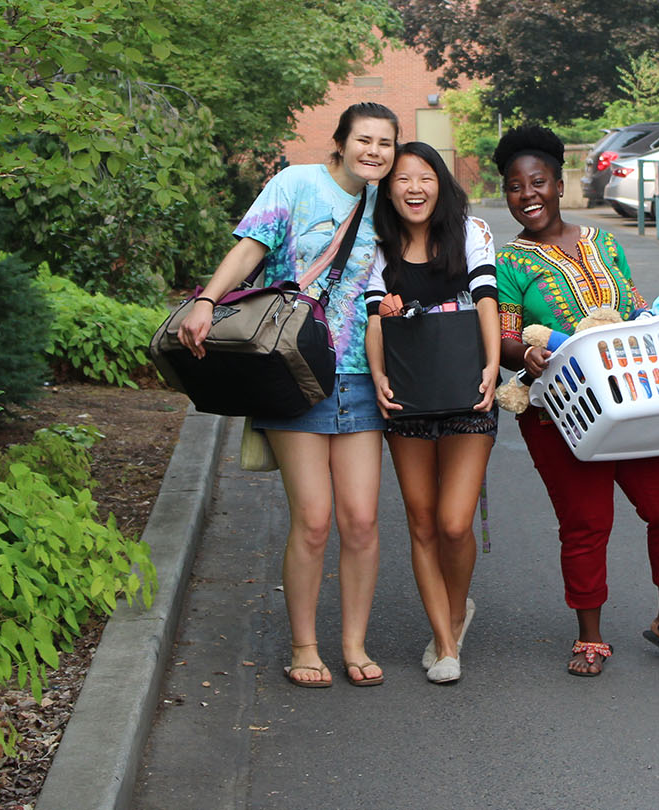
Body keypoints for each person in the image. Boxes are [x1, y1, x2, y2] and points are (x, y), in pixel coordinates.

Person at [177, 102, 399, 688]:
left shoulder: (390, 201)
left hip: (359, 377)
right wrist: (208, 299)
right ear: (341, 141)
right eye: (364, 140)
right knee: (314, 521)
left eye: (385, 143)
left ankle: (353, 643)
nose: (374, 151)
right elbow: (252, 246)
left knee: (361, 521)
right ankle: (304, 645)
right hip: (292, 370)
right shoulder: (296, 183)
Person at [492, 125, 659, 677]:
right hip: (562, 411)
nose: (528, 195)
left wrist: (656, 323)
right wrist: (528, 355)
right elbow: (501, 334)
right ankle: (590, 635)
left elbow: (633, 303)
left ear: (559, 184)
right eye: (515, 187)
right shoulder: (509, 264)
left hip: (634, 399)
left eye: (537, 181)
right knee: (586, 521)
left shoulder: (604, 243)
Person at [362, 142, 498, 685]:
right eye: (402, 178)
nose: (414, 187)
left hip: (468, 390)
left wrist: (492, 367)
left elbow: (486, 300)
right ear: (387, 189)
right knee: (421, 523)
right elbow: (375, 321)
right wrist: (378, 378)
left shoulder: (471, 232)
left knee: (452, 521)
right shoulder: (377, 247)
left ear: (440, 183)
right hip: (408, 397)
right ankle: (445, 643)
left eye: (424, 177)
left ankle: (458, 611)